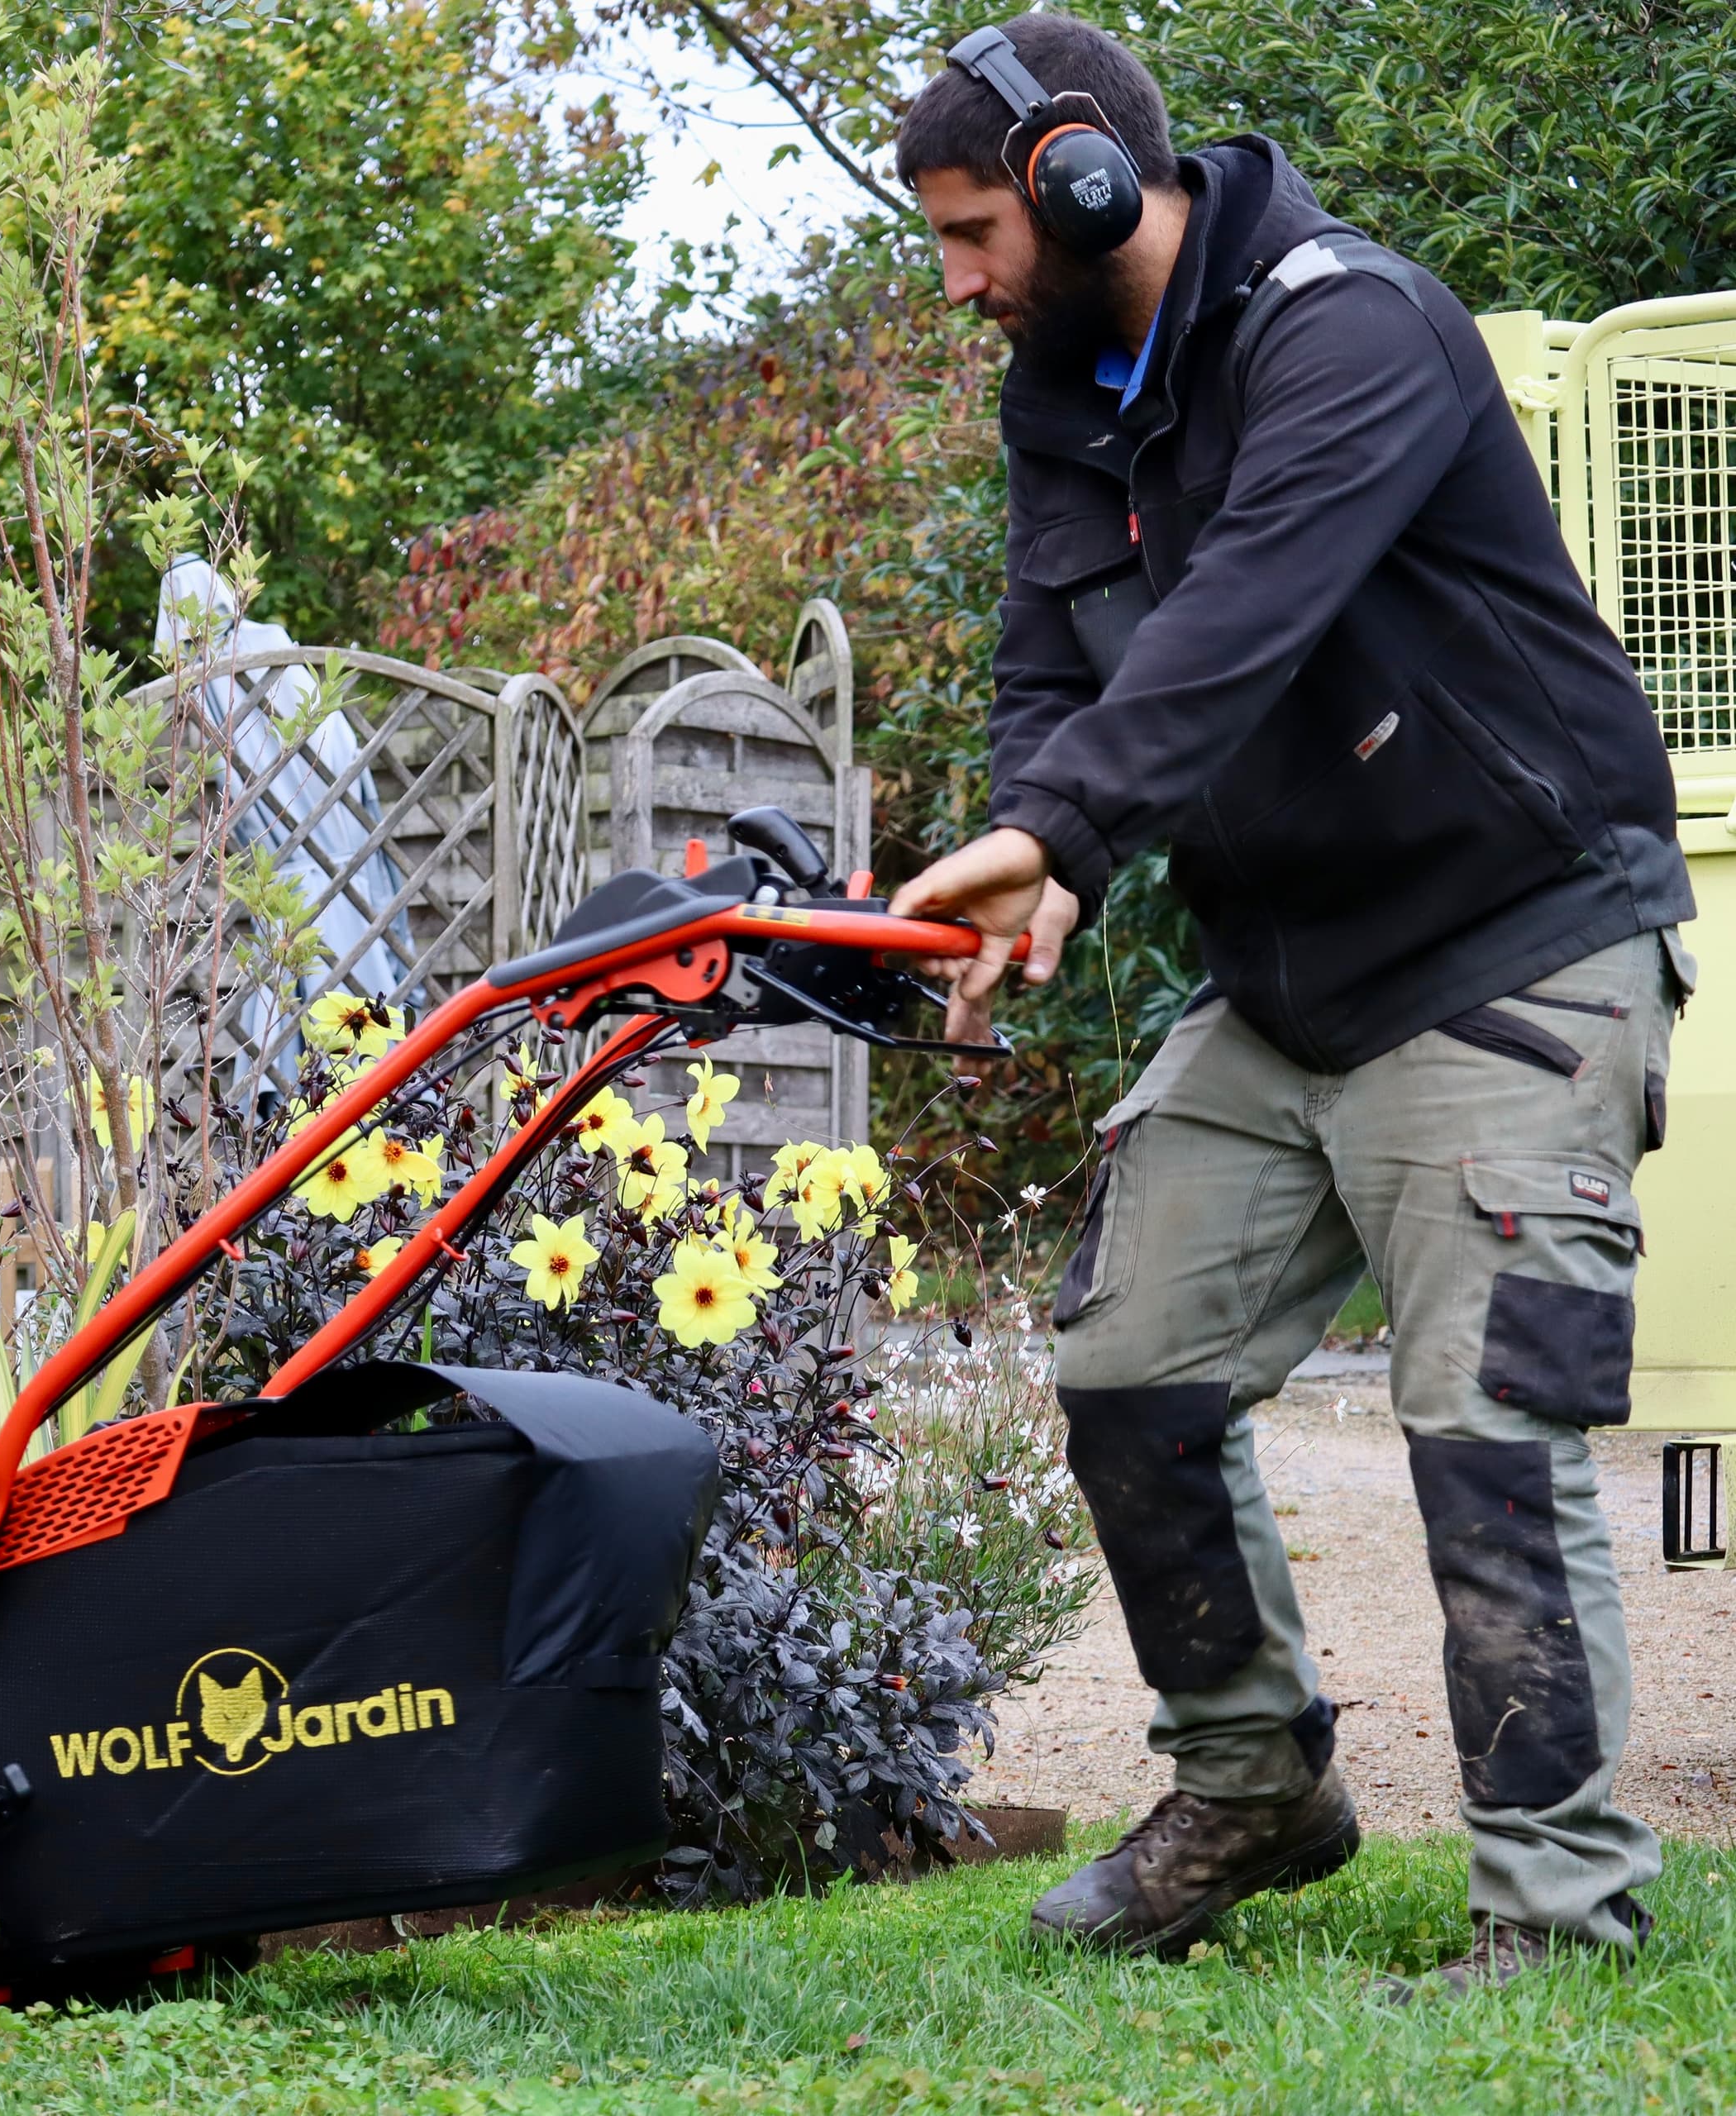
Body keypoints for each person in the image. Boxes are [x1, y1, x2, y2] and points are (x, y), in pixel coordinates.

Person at [884, 15, 1692, 1994]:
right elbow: (1047, 667)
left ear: (1087, 176)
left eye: (981, 231)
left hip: (1516, 941)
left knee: (1484, 1420)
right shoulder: (1068, 382)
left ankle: (1563, 1909)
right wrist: (1027, 850)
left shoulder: (1353, 330)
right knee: (1125, 1367)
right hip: (1289, 980)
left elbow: (1253, 603)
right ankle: (1255, 1784)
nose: (970, 281)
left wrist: (1071, 832)